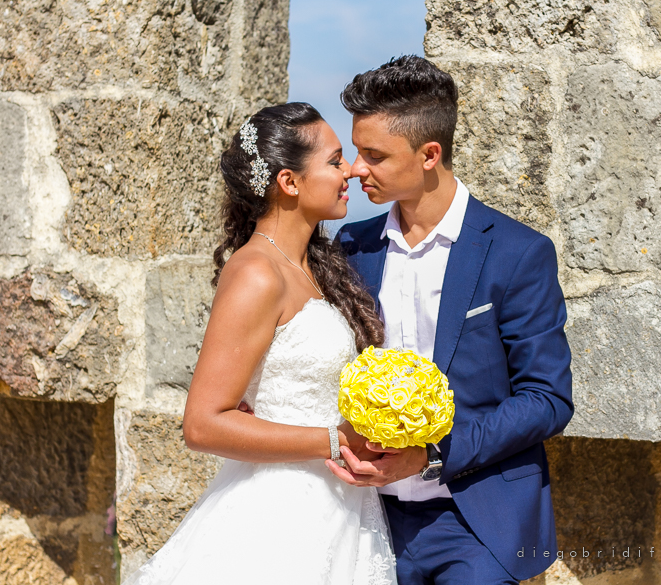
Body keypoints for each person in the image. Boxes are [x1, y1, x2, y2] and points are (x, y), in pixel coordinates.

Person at [124, 103, 398, 585]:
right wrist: (335, 440)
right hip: (280, 518)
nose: (349, 172)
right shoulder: (255, 273)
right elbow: (203, 425)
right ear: (289, 182)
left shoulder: (318, 267)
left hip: (342, 512)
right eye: (335, 161)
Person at [326, 56, 574, 584]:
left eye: (373, 156)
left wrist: (433, 454)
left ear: (429, 154)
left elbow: (548, 398)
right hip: (366, 519)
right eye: (355, 153)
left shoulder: (518, 252)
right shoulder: (351, 246)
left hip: (476, 523)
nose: (354, 169)